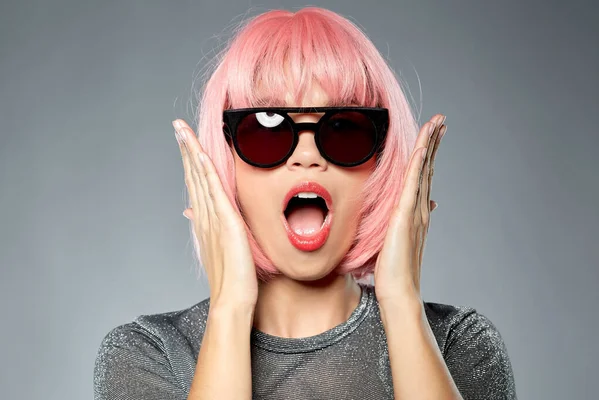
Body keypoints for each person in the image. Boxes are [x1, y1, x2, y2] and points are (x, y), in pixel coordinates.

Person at [94, 7, 517, 400]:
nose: (307, 155)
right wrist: (231, 307)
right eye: (266, 130)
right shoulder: (149, 355)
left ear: (381, 161)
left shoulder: (458, 344)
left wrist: (402, 304)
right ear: (226, 163)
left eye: (344, 129)